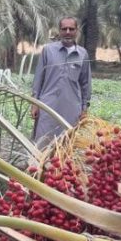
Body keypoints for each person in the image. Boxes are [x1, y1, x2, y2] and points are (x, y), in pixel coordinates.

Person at [31, 16, 91, 146]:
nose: (68, 32)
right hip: (47, 105)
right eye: (64, 29)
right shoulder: (48, 50)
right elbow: (38, 78)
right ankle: (39, 166)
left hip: (71, 108)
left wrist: (84, 108)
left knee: (66, 144)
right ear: (59, 30)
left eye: (71, 29)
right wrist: (35, 103)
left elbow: (85, 83)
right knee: (43, 141)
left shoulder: (83, 54)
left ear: (77, 31)